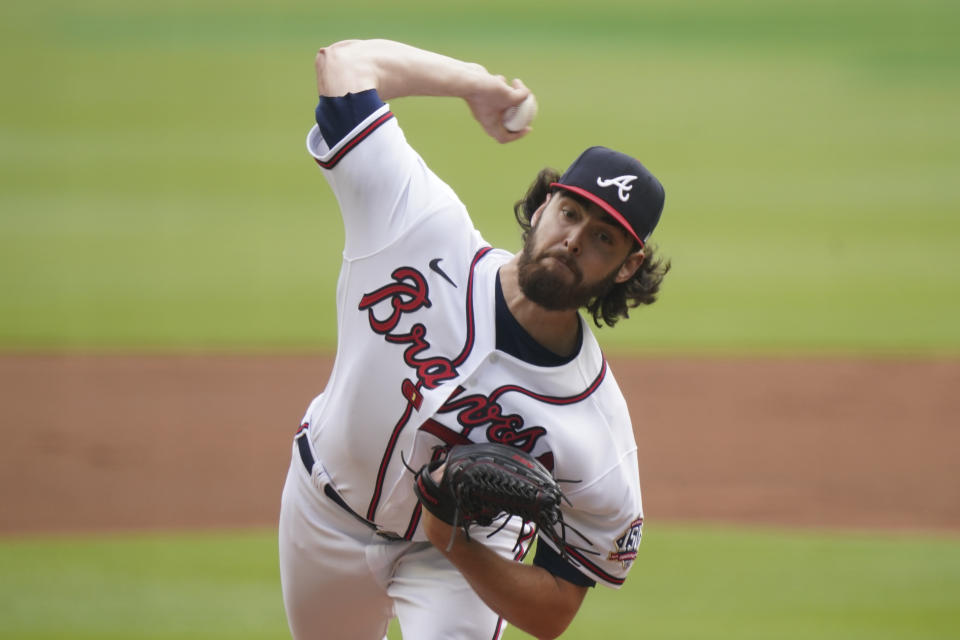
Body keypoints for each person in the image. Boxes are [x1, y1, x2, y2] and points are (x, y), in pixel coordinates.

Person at [278, 39, 670, 640]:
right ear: (542, 207)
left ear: (625, 267)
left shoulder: (597, 433)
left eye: (603, 240)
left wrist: (451, 539)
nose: (574, 239)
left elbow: (555, 611)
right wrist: (475, 84)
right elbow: (343, 65)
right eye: (571, 214)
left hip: (463, 558)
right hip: (322, 511)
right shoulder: (417, 226)